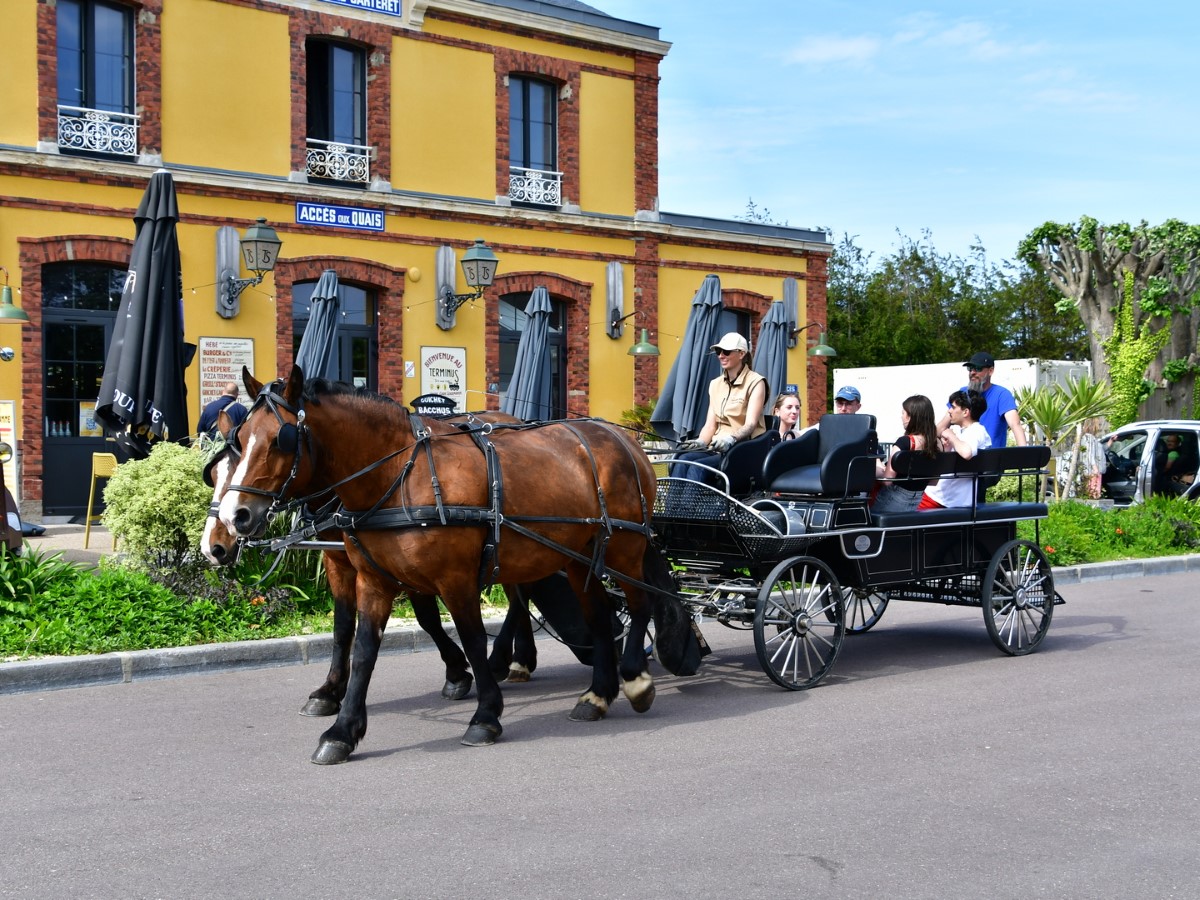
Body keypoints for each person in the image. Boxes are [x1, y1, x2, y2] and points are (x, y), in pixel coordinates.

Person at [674, 332, 768, 483]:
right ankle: (672, 507)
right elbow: (710, 426)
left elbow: (750, 424)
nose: (721, 356)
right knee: (682, 460)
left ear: (741, 354)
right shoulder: (715, 384)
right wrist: (700, 442)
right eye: (718, 351)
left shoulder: (756, 382)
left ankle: (689, 507)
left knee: (697, 466)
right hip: (715, 448)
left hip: (741, 450)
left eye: (726, 351)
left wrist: (731, 438)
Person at [919, 390, 991, 510]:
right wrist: (947, 447)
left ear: (965, 412)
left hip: (943, 498)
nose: (949, 411)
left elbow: (967, 453)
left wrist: (951, 437)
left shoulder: (976, 431)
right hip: (943, 496)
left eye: (953, 407)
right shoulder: (959, 430)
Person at [938, 352, 1027, 449]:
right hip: (964, 458)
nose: (972, 372)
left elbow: (1015, 425)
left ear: (990, 371)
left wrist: (1024, 455)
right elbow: (944, 423)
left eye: (978, 368)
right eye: (970, 368)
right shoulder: (963, 393)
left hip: (992, 460)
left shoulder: (1002, 394)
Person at [872, 395, 939, 513]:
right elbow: (933, 481)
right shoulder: (938, 444)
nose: (901, 417)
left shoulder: (905, 442)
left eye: (903, 413)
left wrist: (877, 464)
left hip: (892, 500)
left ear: (911, 417)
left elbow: (887, 480)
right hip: (916, 500)